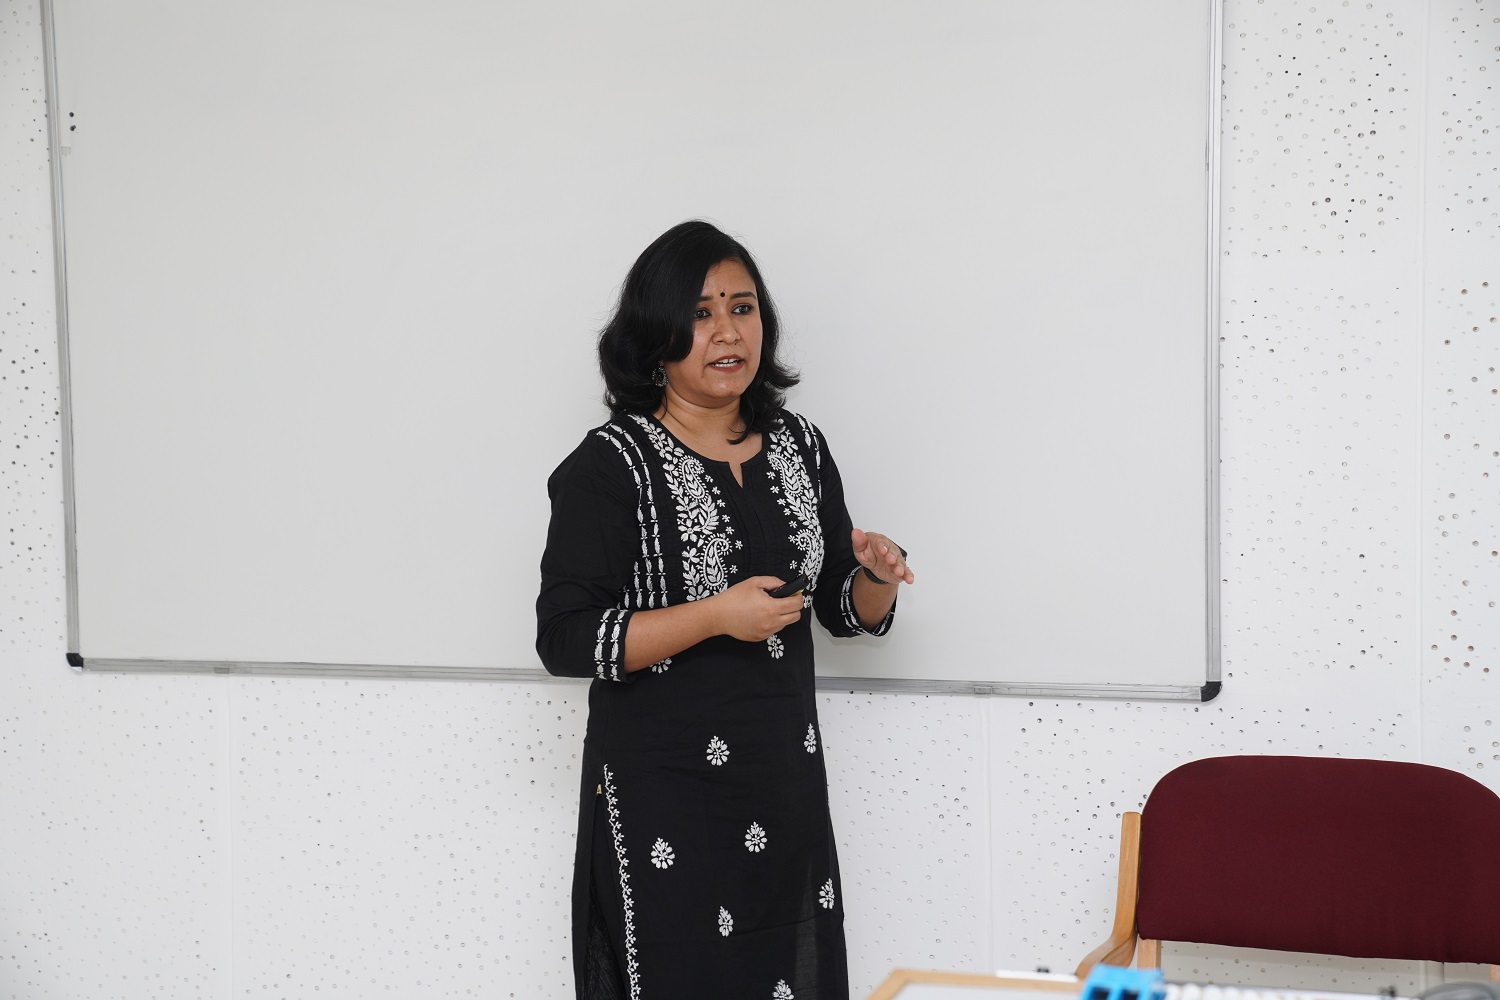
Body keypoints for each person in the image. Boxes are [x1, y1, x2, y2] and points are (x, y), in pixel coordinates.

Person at [537, 220, 913, 1000]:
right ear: (657, 335)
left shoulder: (800, 447)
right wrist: (712, 616)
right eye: (700, 313)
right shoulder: (610, 466)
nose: (726, 332)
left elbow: (839, 603)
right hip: (661, 794)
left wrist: (876, 576)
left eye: (741, 308)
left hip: (782, 781)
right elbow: (567, 637)